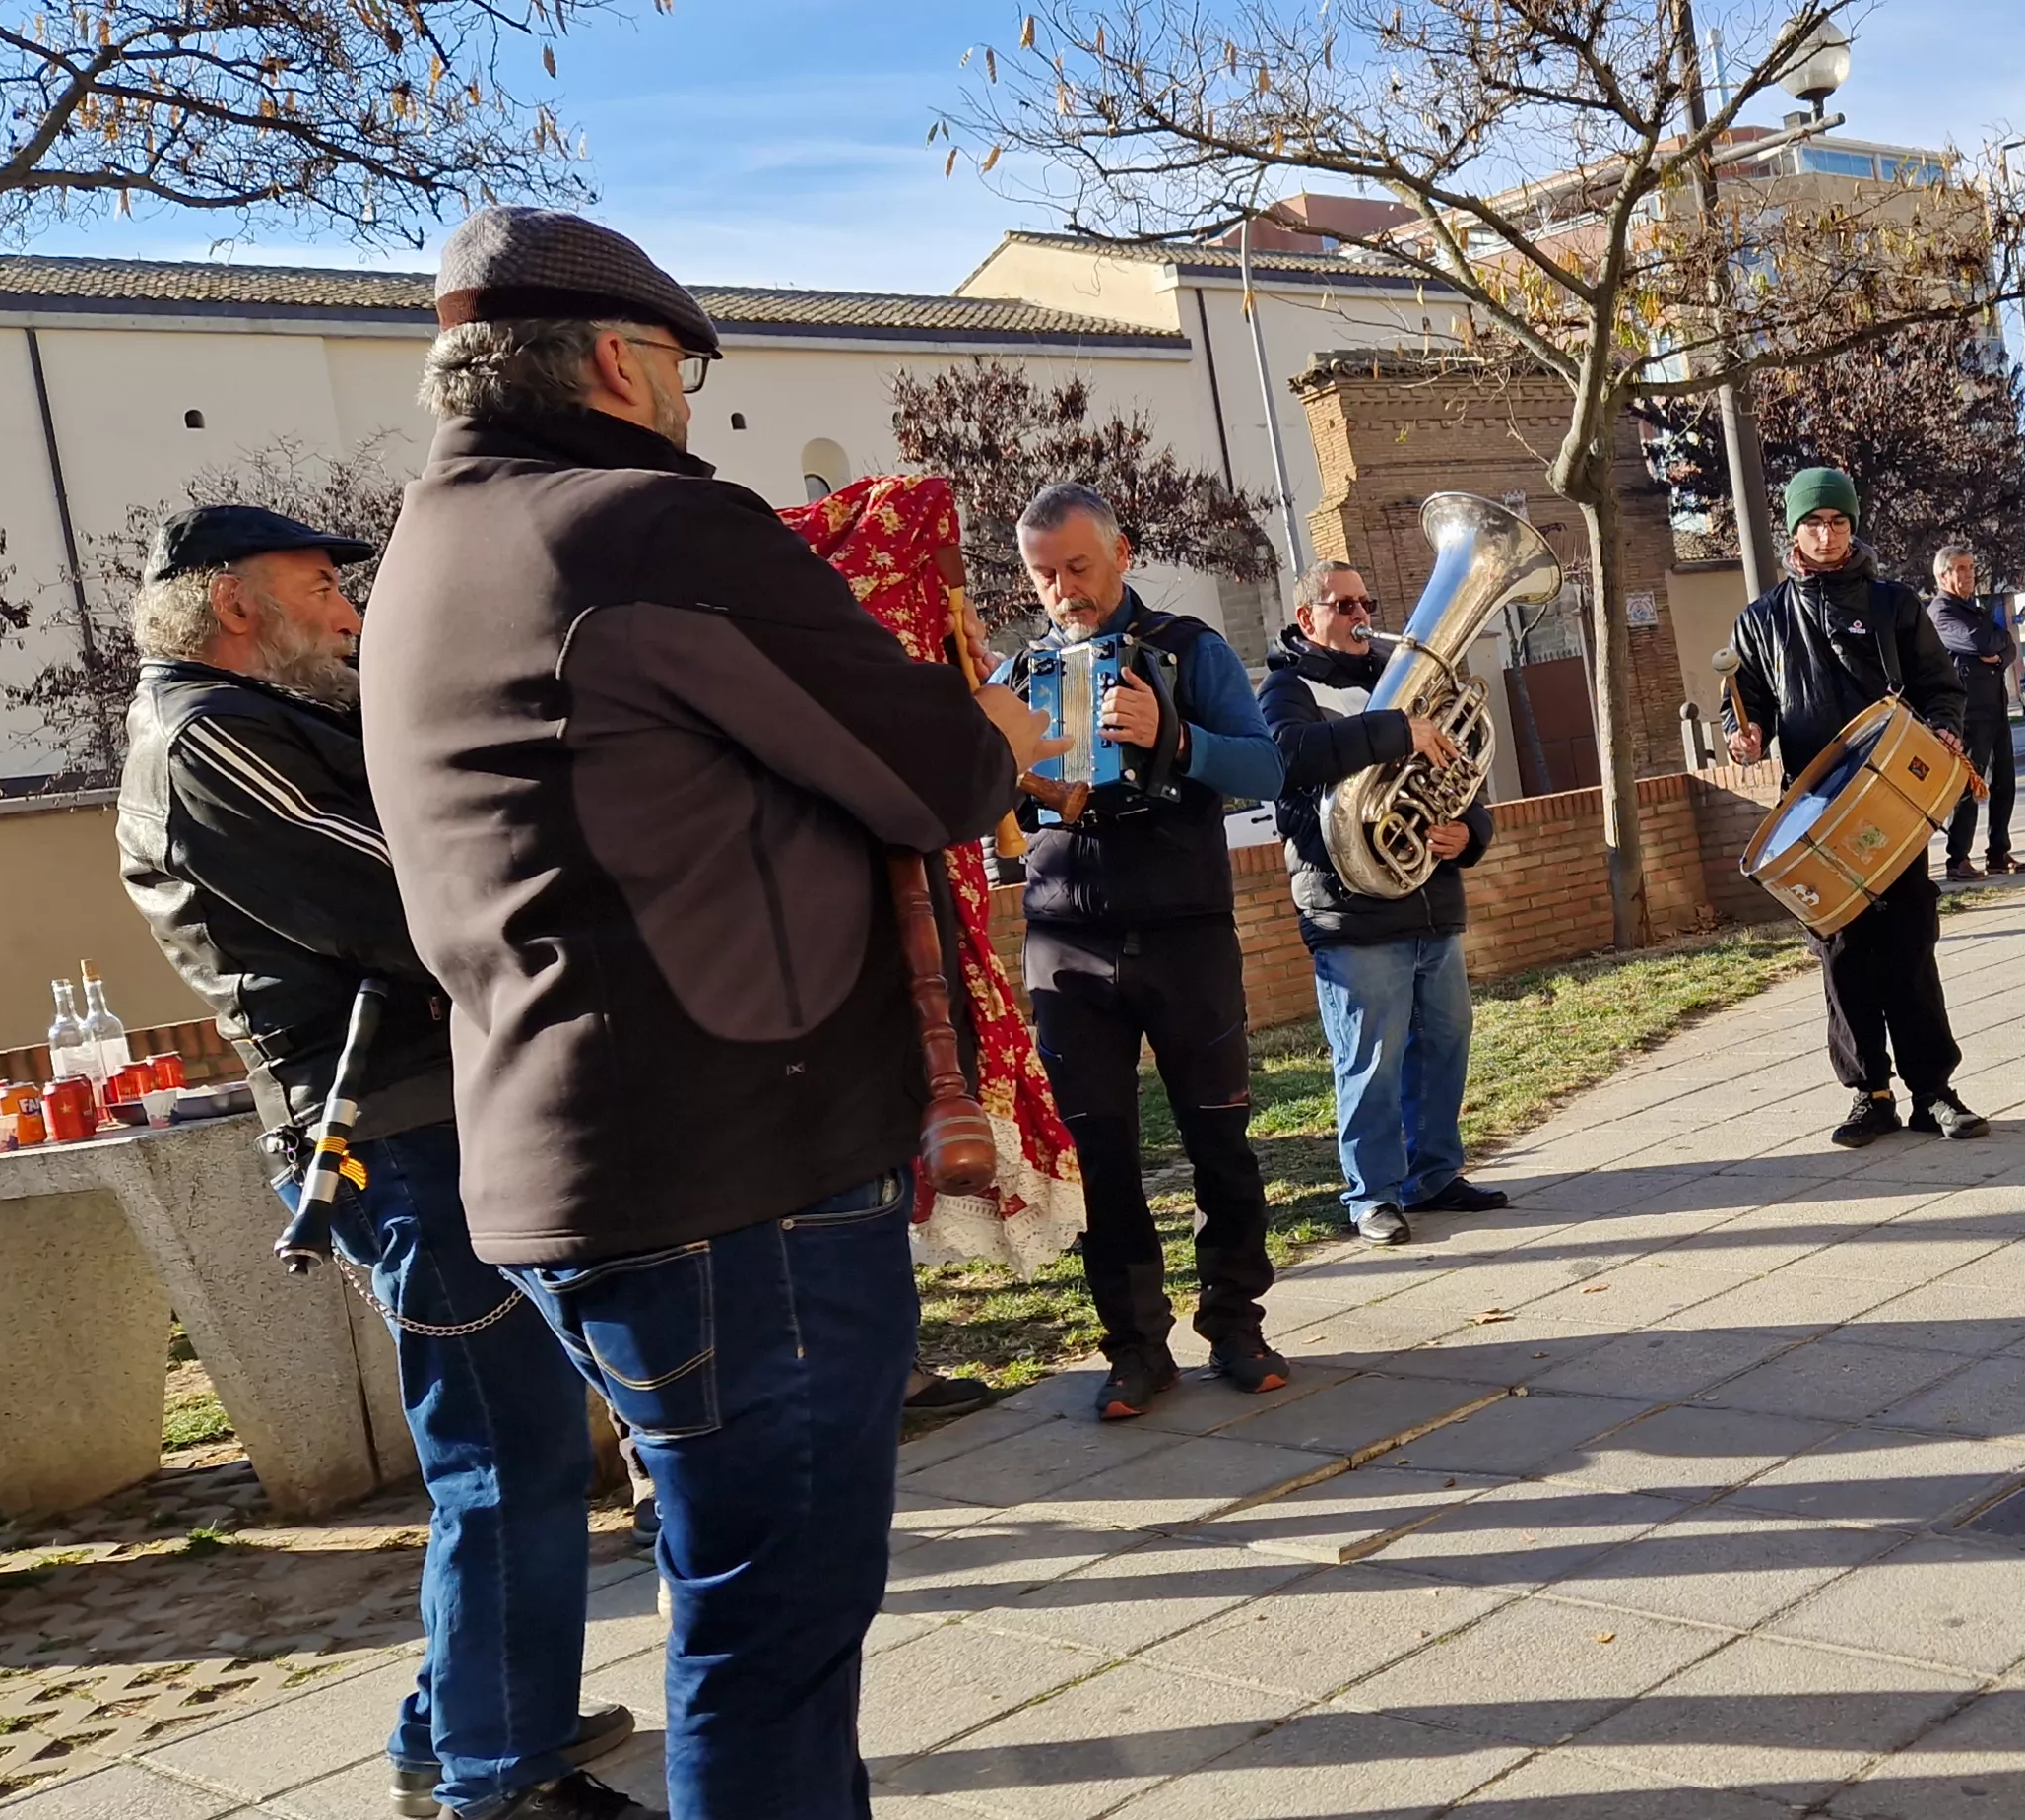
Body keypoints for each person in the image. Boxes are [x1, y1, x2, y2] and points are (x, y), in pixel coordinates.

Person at [359, 206, 1047, 1816]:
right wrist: (995, 717)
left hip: (577, 1166)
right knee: (771, 1644)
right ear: (615, 358)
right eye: (679, 368)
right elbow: (931, 771)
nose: (691, 405)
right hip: (742, 1178)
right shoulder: (642, 525)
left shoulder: (432, 547)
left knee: (740, 1608)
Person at [116, 504, 645, 1820]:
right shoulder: (209, 739)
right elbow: (415, 891)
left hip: (423, 1113)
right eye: (320, 587)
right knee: (505, 1455)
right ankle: (499, 1777)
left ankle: (459, 1723)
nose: (350, 612)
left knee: (509, 1444)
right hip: (394, 1134)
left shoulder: (254, 722)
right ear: (235, 603)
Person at [998, 483, 1294, 1414]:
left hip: (1184, 932)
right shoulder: (1015, 672)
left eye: (1078, 569)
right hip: (1064, 939)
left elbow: (1269, 766)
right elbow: (987, 814)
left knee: (1219, 1136)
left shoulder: (1189, 648)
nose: (1062, 592)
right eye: (1043, 576)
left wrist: (1174, 735)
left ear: (1122, 553)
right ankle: (1133, 1347)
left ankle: (1236, 1324)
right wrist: (998, 776)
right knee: (1101, 1155)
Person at [1720, 468, 1987, 1148]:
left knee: (1909, 946)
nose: (1828, 534)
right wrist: (1744, 736)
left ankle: (1933, 1091)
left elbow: (1940, 687)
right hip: (1814, 814)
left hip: (1890, 801)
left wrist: (1946, 726)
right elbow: (1743, 708)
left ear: (1851, 525)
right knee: (1842, 954)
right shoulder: (1762, 621)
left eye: (1838, 522)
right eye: (1815, 523)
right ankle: (1869, 1093)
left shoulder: (1895, 604)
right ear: (1794, 532)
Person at [1256, 560, 1505, 1246]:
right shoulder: (1287, 687)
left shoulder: (1407, 679)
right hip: (1350, 912)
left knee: (1445, 1043)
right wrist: (1395, 729)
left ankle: (1434, 1175)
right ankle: (1371, 1194)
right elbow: (1287, 756)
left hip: (1430, 900)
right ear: (1308, 619)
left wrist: (1469, 832)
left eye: (1367, 599)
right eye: (1341, 604)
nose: (1360, 613)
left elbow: (1460, 774)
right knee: (1369, 1059)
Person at [1930, 546, 2025, 878]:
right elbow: (1982, 643)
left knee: (2004, 783)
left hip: (1996, 709)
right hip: (1969, 714)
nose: (1969, 574)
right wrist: (1994, 647)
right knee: (1968, 786)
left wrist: (1999, 656)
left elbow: (2007, 644)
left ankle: (1998, 852)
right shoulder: (1942, 613)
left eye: (1971, 567)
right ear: (1943, 576)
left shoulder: (1974, 609)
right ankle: (1958, 859)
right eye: (1960, 568)